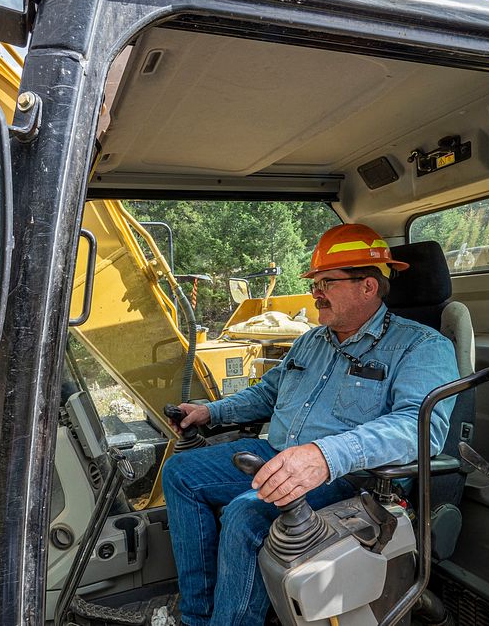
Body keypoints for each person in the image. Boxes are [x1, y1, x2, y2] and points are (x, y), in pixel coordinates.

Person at [161, 223, 460, 626]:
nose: (315, 292)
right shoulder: (310, 341)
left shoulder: (422, 346)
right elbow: (268, 393)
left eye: (327, 282)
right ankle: (196, 616)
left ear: (368, 287)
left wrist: (324, 455)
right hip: (280, 455)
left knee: (245, 515)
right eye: (316, 282)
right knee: (181, 473)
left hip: (349, 478)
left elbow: (418, 429)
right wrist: (212, 412)